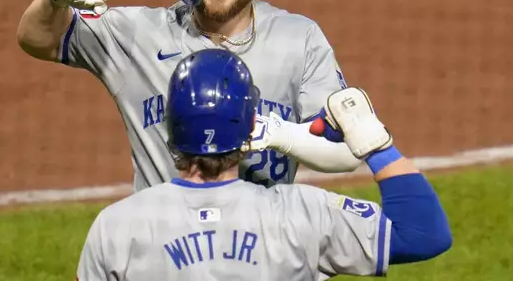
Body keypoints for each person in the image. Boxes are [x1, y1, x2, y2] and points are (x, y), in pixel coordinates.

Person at [16, 0, 365, 192]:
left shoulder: (298, 39)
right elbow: (38, 40)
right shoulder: (136, 34)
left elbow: (347, 149)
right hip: (164, 251)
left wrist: (280, 134)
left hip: (261, 252)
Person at [75, 49, 453, 280]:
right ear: (250, 124)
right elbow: (425, 235)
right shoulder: (302, 214)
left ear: (170, 124)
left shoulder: (117, 226)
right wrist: (375, 143)